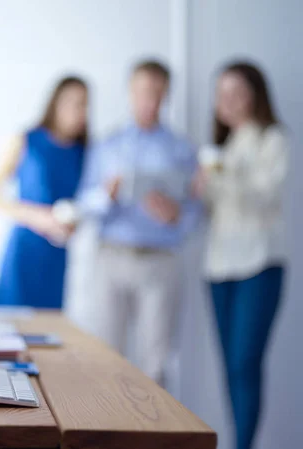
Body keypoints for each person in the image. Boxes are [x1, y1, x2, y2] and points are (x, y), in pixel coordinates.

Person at [70, 60, 200, 385]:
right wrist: (106, 195)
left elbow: (196, 210)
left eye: (158, 93)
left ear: (166, 94)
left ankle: (150, 435)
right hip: (112, 257)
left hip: (160, 262)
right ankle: (103, 432)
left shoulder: (181, 149)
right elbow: (83, 203)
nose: (150, 100)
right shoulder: (107, 145)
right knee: (104, 354)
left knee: (156, 360)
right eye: (144, 91)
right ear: (130, 92)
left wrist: (177, 215)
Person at [194, 62, 288, 449]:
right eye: (220, 94)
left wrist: (223, 173)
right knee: (229, 369)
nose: (226, 102)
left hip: (259, 265)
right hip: (218, 268)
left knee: (245, 364)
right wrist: (199, 191)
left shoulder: (273, 139)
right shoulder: (221, 147)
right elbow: (213, 214)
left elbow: (265, 197)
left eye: (236, 93)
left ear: (255, 95)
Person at [0, 76, 88, 309]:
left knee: (50, 328)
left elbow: (84, 202)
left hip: (56, 253)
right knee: (12, 322)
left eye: (84, 104)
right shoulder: (26, 141)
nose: (78, 110)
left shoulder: (82, 151)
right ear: (55, 104)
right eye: (72, 102)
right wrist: (37, 218)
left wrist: (71, 223)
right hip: (25, 249)